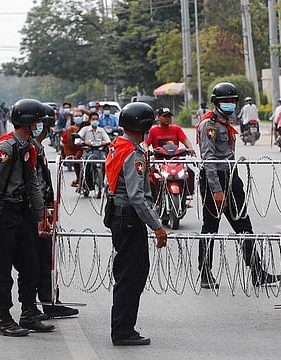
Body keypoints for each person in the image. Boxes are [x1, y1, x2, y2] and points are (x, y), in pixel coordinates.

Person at [0, 99, 55, 336]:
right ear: (28, 123)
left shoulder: (29, 147)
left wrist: (41, 216)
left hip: (22, 213)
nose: (41, 126)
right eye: (38, 122)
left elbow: (33, 184)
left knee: (30, 266)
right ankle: (5, 319)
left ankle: (28, 313)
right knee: (3, 269)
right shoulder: (7, 148)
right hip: (2, 214)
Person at [197, 82, 281, 289]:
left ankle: (257, 272)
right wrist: (217, 190)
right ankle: (205, 274)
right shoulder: (209, 125)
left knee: (245, 227)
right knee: (210, 229)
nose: (230, 105)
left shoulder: (226, 123)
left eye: (232, 101)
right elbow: (208, 160)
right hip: (214, 181)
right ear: (216, 103)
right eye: (225, 101)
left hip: (231, 178)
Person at [105, 102, 167, 346]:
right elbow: (136, 196)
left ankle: (123, 326)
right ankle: (122, 330)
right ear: (143, 126)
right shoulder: (134, 154)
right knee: (131, 276)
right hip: (130, 220)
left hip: (120, 218)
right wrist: (157, 226)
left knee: (130, 274)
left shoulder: (118, 146)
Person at [32, 102, 78, 319]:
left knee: (46, 258)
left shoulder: (38, 147)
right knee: (33, 260)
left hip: (41, 210)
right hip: (29, 213)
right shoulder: (25, 147)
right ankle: (31, 308)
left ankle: (50, 301)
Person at [143, 107, 196, 198]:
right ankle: (153, 198)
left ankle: (186, 194)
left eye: (169, 116)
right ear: (158, 117)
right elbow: (145, 143)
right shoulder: (153, 131)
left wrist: (190, 148)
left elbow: (185, 140)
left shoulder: (176, 129)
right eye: (165, 116)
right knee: (148, 176)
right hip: (159, 162)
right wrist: (146, 150)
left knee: (190, 172)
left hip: (175, 161)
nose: (168, 118)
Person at [78, 113, 111, 198]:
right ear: (90, 120)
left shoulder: (101, 130)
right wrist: (84, 142)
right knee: (85, 166)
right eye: (93, 119)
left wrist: (104, 143)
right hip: (88, 152)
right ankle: (84, 185)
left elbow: (108, 140)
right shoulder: (85, 129)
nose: (95, 121)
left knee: (105, 164)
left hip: (99, 152)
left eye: (96, 119)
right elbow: (77, 139)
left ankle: (103, 183)